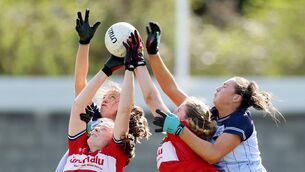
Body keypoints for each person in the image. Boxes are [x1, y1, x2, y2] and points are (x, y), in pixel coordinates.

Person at [145, 21, 284, 172]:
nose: (218, 88)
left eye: (225, 86)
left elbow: (213, 154)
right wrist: (153, 53)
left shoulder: (240, 119)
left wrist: (179, 129)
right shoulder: (212, 115)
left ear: (236, 98)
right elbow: (171, 89)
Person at [56, 10, 150, 171]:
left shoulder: (118, 141)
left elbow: (125, 111)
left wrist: (130, 67)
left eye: (113, 97)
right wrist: (84, 43)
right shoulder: (93, 118)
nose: (105, 100)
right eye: (106, 97)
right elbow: (80, 86)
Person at [128, 27, 218, 171]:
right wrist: (140, 59)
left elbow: (152, 98)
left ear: (188, 121)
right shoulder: (181, 134)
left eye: (180, 109)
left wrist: (138, 61)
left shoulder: (181, 129)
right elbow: (155, 96)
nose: (175, 110)